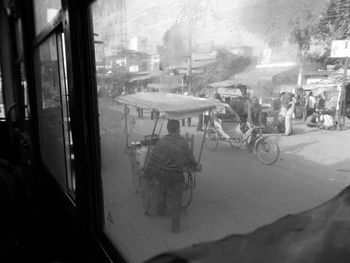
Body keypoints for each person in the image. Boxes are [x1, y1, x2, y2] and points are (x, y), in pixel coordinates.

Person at [145, 120, 201, 233]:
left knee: (162, 191)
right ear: (178, 128)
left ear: (168, 129)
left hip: (163, 174)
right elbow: (190, 157)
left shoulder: (161, 141)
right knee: (177, 201)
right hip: (177, 176)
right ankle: (175, 226)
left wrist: (148, 171)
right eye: (179, 127)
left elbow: (153, 157)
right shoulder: (183, 142)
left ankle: (161, 210)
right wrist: (196, 165)